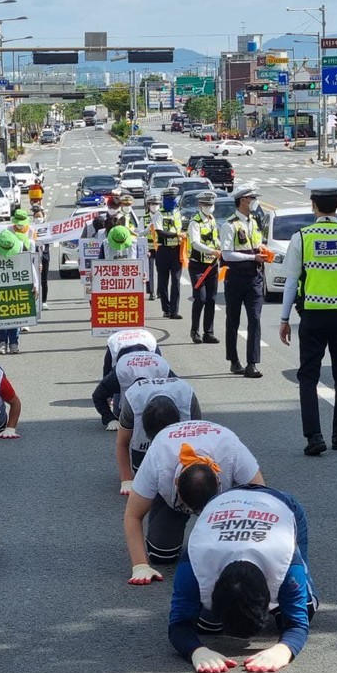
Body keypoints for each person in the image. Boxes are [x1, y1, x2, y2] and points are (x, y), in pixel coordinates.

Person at [170, 485, 318, 673]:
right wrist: (196, 651)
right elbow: (178, 623)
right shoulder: (192, 564)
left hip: (281, 504)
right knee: (206, 626)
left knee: (304, 609)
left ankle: (288, 604)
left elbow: (298, 624)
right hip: (224, 502)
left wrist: (285, 649)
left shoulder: (288, 564)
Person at [278, 179, 337, 456]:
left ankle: (314, 436)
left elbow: (292, 282)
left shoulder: (303, 238)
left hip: (313, 317)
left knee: (308, 376)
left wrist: (284, 318)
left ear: (314, 205)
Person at [123, 420, 264, 582]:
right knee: (161, 555)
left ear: (219, 482)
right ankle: (165, 511)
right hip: (170, 498)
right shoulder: (158, 457)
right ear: (175, 482)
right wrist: (140, 566)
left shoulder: (231, 449)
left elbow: (262, 499)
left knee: (231, 556)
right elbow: (132, 515)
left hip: (227, 503)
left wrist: (255, 549)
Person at [117, 379, 200, 495]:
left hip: (179, 431)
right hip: (143, 443)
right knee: (145, 478)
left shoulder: (188, 398)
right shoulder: (132, 400)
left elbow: (198, 441)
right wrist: (126, 480)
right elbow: (122, 442)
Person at [220, 183, 266, 377]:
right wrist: (251, 257)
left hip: (255, 277)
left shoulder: (253, 222)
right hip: (236, 278)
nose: (254, 201)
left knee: (255, 320)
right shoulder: (229, 225)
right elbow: (227, 254)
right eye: (252, 198)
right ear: (242, 200)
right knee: (233, 321)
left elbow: (256, 244)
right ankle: (234, 360)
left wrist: (262, 251)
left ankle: (252, 364)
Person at [0, 229, 38, 355]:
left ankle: (14, 343)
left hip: (17, 284)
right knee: (0, 313)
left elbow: (29, 266)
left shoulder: (22, 246)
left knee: (15, 312)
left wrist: (35, 284)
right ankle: (2, 343)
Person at [93, 349, 173, 429]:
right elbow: (97, 396)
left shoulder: (163, 372)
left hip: (150, 351)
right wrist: (110, 419)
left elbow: (182, 393)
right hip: (125, 361)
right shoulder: (118, 376)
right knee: (122, 417)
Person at [186, 191, 221, 344]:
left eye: (211, 205)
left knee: (211, 299)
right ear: (200, 205)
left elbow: (215, 240)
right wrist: (212, 251)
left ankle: (209, 332)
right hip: (198, 266)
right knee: (200, 298)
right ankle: (195, 331)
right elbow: (195, 243)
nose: (209, 207)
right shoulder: (195, 222)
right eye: (206, 205)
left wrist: (221, 249)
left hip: (212, 265)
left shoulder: (212, 220)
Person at [151, 188, 185, 319]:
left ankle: (174, 310)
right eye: (171, 199)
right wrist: (176, 234)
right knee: (163, 281)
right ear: (165, 200)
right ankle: (166, 308)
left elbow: (180, 228)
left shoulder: (177, 213)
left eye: (175, 198)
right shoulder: (159, 214)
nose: (174, 201)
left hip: (176, 250)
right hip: (163, 251)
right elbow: (160, 232)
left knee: (176, 281)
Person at [31, 205, 51, 310]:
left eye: (39, 216)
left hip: (44, 256)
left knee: (44, 280)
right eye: (36, 216)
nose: (38, 218)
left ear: (43, 217)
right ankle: (34, 300)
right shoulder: (30, 229)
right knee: (33, 279)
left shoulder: (47, 228)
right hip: (33, 257)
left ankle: (44, 301)